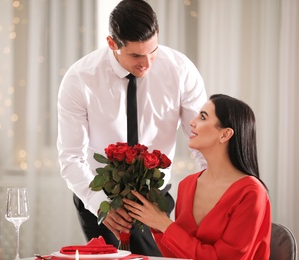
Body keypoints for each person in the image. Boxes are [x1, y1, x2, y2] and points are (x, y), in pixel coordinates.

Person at [56, 0, 207, 256]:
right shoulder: (79, 79)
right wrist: (101, 205)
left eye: (153, 51)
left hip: (156, 199)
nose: (147, 63)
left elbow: (203, 143)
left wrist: (215, 196)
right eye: (136, 55)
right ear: (112, 43)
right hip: (98, 199)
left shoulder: (181, 71)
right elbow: (71, 157)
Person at [123, 94, 271, 259]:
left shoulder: (251, 193)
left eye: (203, 117)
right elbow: (177, 255)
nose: (192, 122)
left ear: (225, 135)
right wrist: (157, 224)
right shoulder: (187, 184)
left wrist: (164, 225)